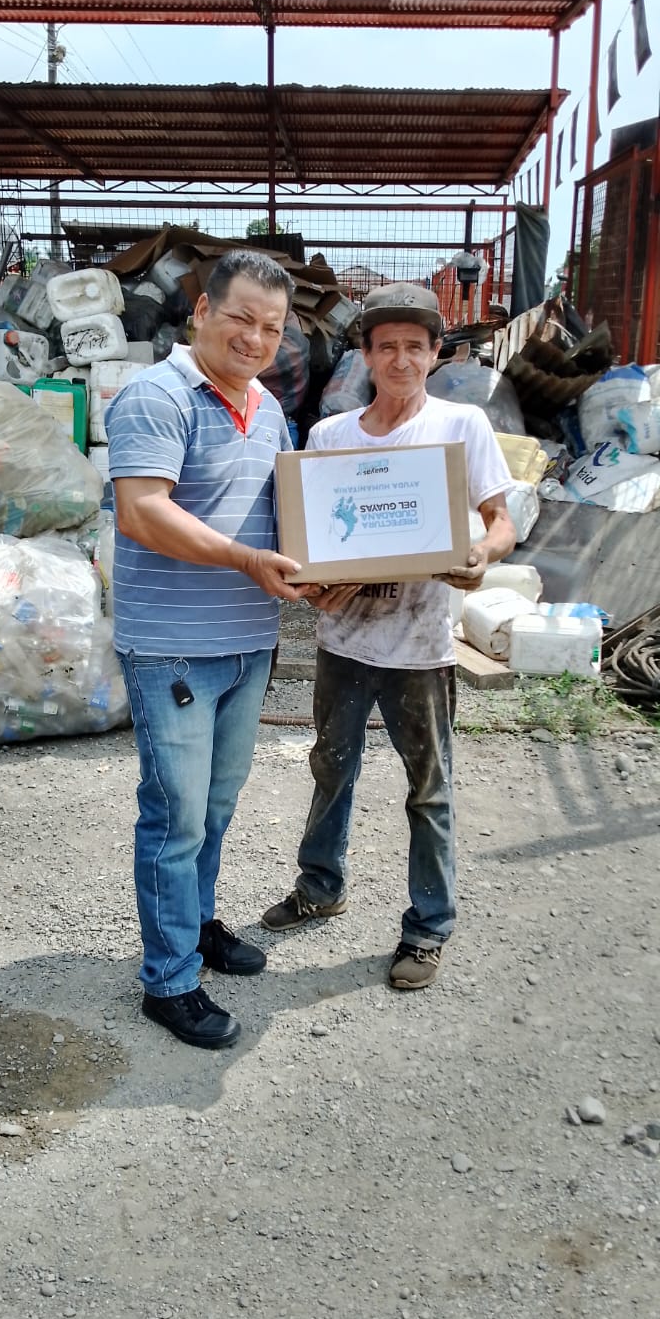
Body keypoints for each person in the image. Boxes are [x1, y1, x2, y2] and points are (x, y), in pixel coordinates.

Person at [261, 283, 516, 991]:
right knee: (330, 769)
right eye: (386, 347)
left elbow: (500, 521)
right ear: (366, 356)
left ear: (435, 354)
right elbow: (307, 543)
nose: (401, 359)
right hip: (344, 640)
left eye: (415, 347)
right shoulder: (330, 437)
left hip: (420, 646)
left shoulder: (461, 426)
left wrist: (481, 554)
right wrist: (312, 585)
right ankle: (320, 887)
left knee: (428, 790)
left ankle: (428, 928)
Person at [106, 250, 309, 1051]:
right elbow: (142, 512)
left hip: (248, 644)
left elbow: (286, 509)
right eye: (241, 319)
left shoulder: (267, 406)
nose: (255, 338)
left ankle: (196, 924)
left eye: (272, 328)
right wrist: (246, 561)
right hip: (175, 651)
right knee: (175, 817)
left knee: (214, 809)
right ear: (201, 312)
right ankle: (169, 982)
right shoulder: (157, 396)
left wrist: (331, 569)